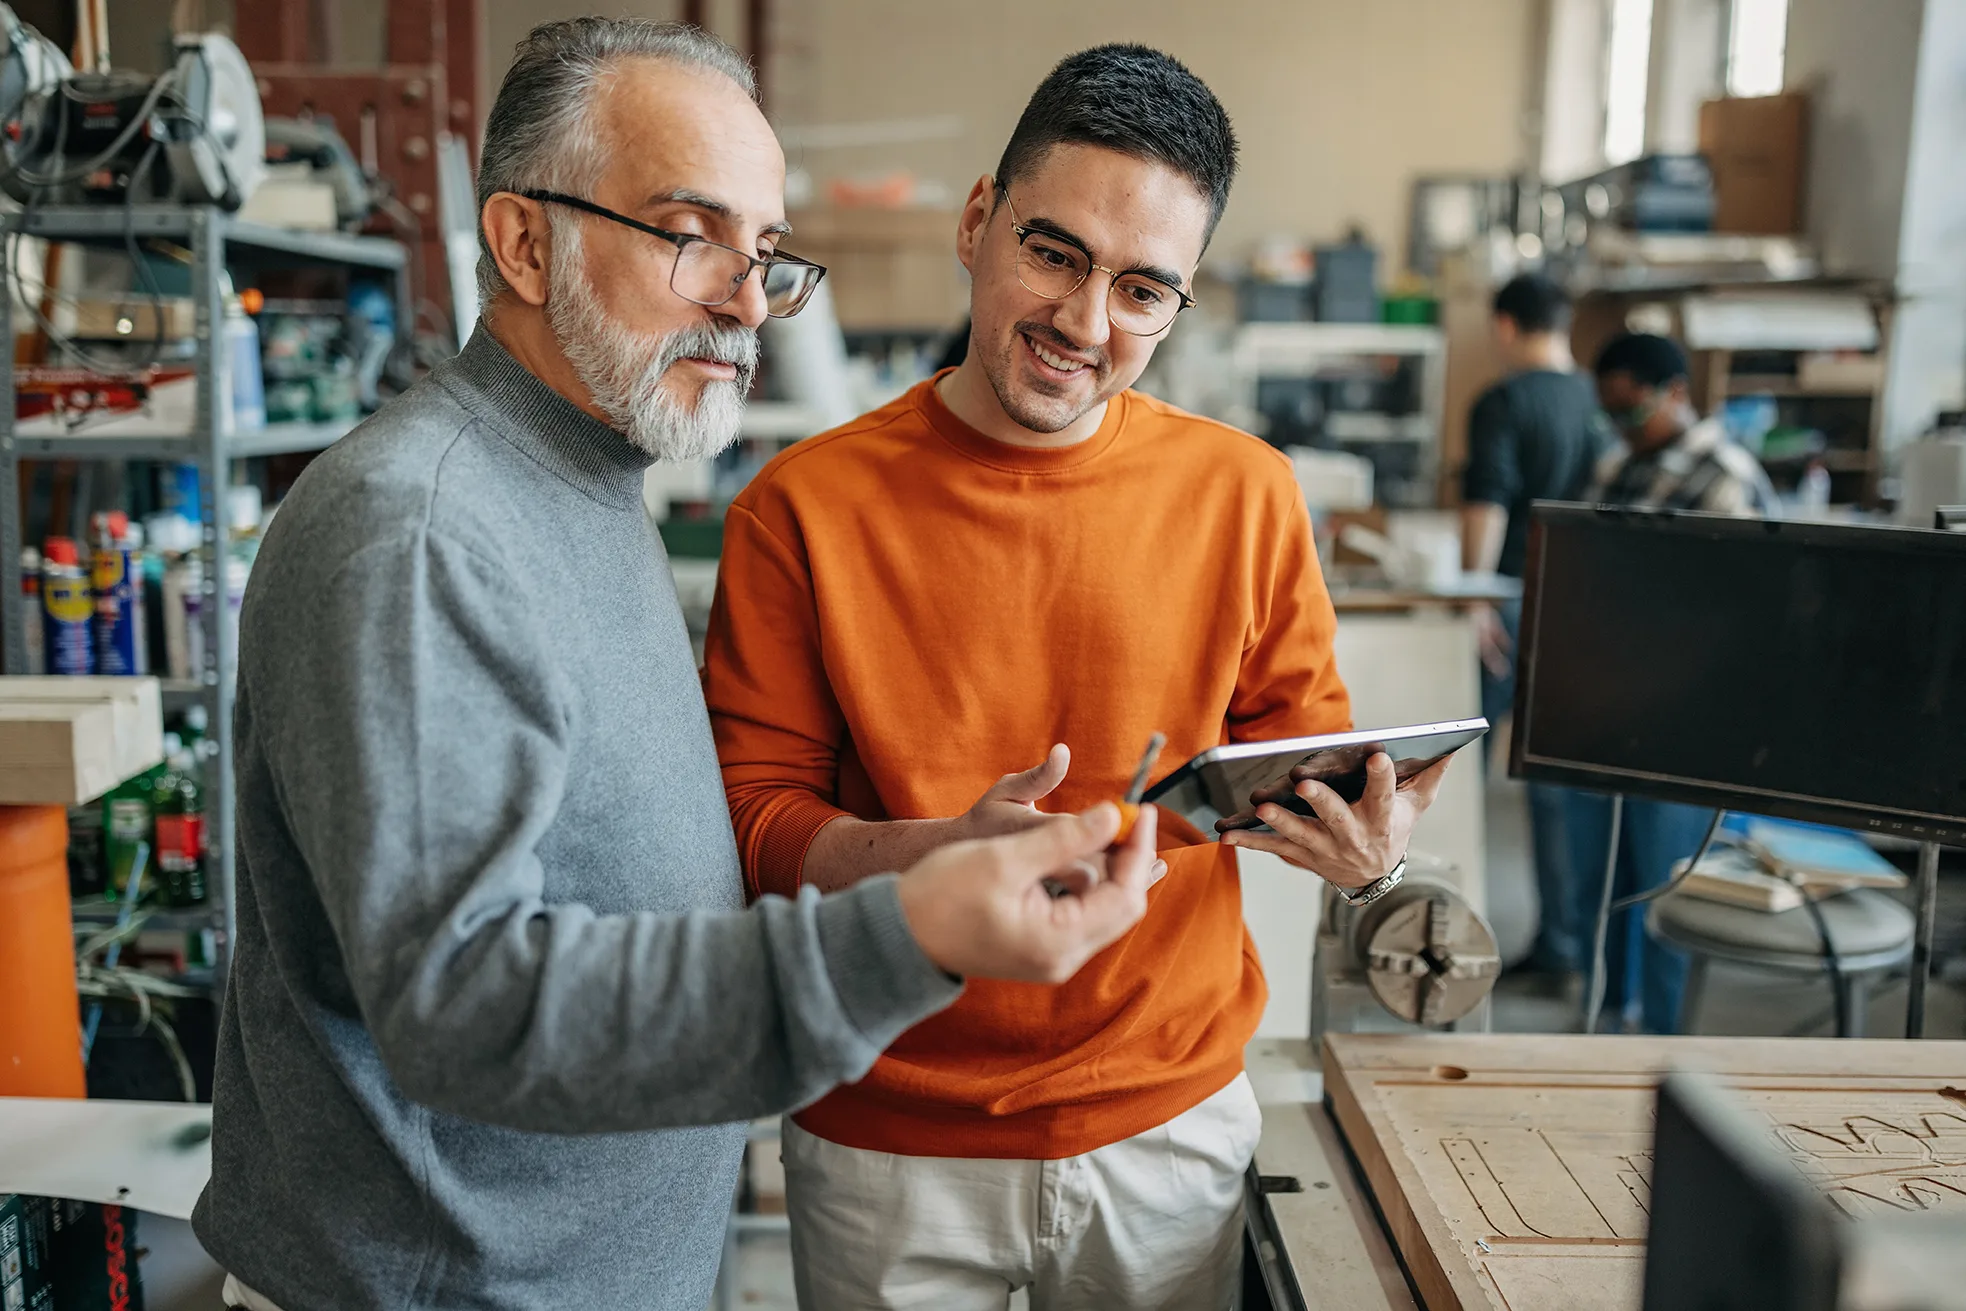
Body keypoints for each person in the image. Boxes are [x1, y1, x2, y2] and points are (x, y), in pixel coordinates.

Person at [191, 22, 1159, 1311]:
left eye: (763, 253)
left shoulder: (587, 483)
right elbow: (462, 1001)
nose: (748, 301)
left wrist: (925, 857)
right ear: (524, 243)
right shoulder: (417, 529)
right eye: (691, 235)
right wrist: (900, 939)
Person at [703, 45, 1449, 1309]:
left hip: (1164, 1127)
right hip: (889, 1133)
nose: (1085, 324)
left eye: (1143, 290)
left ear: (1181, 301)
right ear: (981, 220)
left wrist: (1363, 841)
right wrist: (929, 854)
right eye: (1054, 254)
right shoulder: (801, 508)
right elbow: (750, 820)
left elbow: (1303, 757)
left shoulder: (1246, 494)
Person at [1561, 331, 1776, 1033]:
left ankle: (1659, 1046)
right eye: (1611, 414)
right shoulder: (1618, 463)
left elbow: (1743, 620)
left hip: (1683, 727)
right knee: (1603, 889)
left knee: (1665, 887)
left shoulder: (1726, 478)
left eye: (1634, 410)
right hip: (1608, 710)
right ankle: (1603, 1019)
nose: (1623, 427)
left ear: (1677, 393)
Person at [1458, 273, 1611, 977]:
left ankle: (1451, 928)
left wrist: (1475, 599)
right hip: (1579, 606)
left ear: (1507, 325)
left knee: (1457, 773)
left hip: (1513, 597)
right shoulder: (1597, 400)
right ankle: (1567, 941)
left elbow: (1486, 500)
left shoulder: (1504, 400)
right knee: (1556, 784)